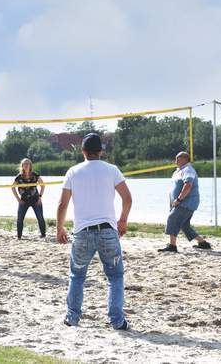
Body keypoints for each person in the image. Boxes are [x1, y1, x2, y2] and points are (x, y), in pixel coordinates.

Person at [56, 133, 132, 330]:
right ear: (101, 151)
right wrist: (123, 220)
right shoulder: (112, 170)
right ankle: (116, 321)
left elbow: (62, 204)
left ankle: (72, 317)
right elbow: (127, 198)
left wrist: (59, 228)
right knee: (115, 277)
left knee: (77, 277)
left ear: (83, 151)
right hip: (108, 231)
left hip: (82, 232)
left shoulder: (73, 171)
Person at [158, 152, 212, 252]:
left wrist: (179, 199)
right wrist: (172, 202)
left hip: (187, 202)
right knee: (184, 225)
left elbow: (188, 185)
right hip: (179, 203)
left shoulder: (188, 170)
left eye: (178, 158)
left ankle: (172, 246)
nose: (175, 160)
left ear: (185, 159)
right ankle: (203, 243)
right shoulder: (177, 171)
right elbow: (173, 188)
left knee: (172, 219)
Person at [11, 158, 46, 239]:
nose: (26, 165)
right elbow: (12, 187)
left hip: (36, 200)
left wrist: (40, 197)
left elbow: (43, 185)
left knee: (40, 218)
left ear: (30, 166)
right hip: (23, 201)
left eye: (28, 164)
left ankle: (43, 235)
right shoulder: (19, 177)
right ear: (22, 166)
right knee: (20, 218)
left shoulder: (35, 175)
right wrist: (18, 200)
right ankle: (19, 236)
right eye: (24, 164)